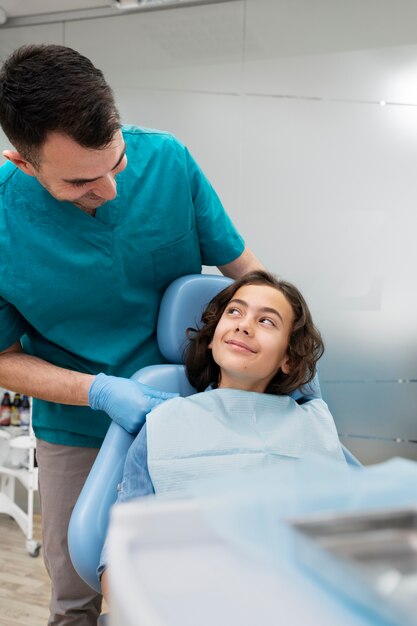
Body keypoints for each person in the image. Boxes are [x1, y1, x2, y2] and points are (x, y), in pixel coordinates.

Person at [0, 44, 264, 625]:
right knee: (77, 594)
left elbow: (246, 273)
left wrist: (292, 338)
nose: (111, 189)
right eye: (80, 183)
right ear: (23, 162)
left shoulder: (167, 161)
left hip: (192, 407)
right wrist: (99, 391)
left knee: (193, 582)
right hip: (78, 422)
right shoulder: (2, 217)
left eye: (115, 165)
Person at [99, 270, 346, 599]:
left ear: (288, 358)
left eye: (267, 321)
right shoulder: (163, 425)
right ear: (213, 336)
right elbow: (120, 557)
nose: (244, 325)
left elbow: (345, 543)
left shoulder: (313, 424)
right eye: (235, 312)